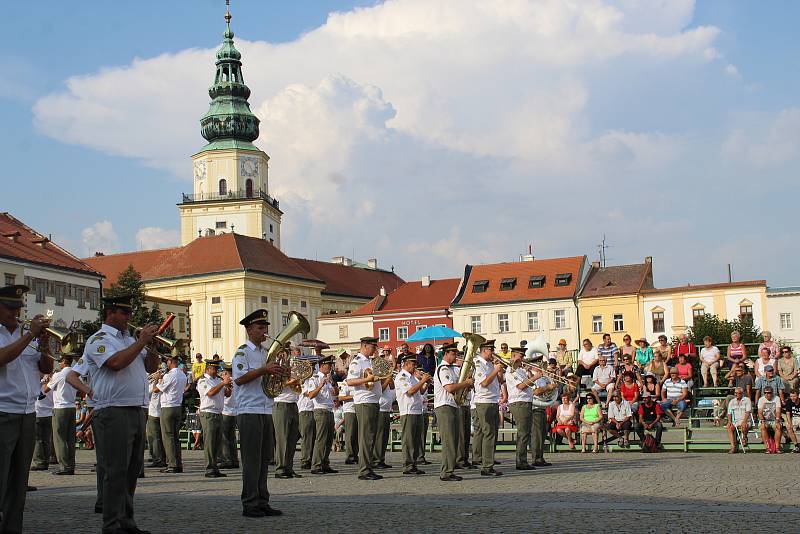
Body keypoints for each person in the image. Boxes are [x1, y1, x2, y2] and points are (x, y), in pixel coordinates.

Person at [78, 294, 159, 533]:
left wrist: (151, 347)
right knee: (115, 471)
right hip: (112, 409)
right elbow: (115, 363)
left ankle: (126, 520)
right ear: (110, 313)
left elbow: (150, 367)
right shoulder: (99, 339)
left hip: (136, 407)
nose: (128, 318)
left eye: (129, 313)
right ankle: (111, 524)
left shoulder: (129, 339)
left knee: (132, 469)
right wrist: (141, 342)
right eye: (124, 313)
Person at [0, 285, 53, 533]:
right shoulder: (19, 335)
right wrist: (30, 336)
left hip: (27, 412)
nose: (16, 312)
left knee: (19, 481)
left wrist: (44, 344)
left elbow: (46, 368)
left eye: (18, 308)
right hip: (2, 412)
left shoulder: (24, 334)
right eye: (10, 308)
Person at [232, 309, 286, 518]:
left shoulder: (265, 353)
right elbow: (239, 379)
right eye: (260, 328)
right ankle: (250, 503)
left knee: (264, 459)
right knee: (252, 460)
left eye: (265, 328)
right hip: (249, 410)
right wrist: (264, 370)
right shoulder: (242, 352)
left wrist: (281, 372)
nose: (265, 332)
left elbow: (269, 379)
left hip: (265, 409)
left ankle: (263, 500)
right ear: (249, 329)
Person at [434, 343, 474, 481]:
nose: (455, 356)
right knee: (449, 440)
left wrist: (468, 384)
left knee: (454, 440)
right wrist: (466, 383)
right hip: (445, 406)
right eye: (453, 354)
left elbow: (460, 387)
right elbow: (450, 388)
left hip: (453, 405)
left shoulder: (453, 369)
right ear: (446, 354)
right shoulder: (443, 369)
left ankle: (450, 469)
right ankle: (446, 472)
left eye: (456, 353)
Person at [346, 336, 384, 481]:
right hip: (364, 401)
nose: (375, 349)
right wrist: (368, 380)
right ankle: (364, 470)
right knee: (366, 437)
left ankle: (368, 467)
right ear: (366, 346)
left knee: (371, 436)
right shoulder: (357, 361)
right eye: (374, 347)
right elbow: (350, 381)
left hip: (373, 400)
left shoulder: (370, 361)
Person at [472, 340, 504, 476]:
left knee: (492, 433)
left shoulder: (490, 364)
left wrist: (499, 371)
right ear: (484, 350)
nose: (493, 353)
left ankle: (488, 463)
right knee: (488, 433)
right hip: (484, 401)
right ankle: (486, 466)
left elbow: (500, 381)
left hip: (493, 400)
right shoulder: (478, 364)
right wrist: (495, 370)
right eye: (491, 350)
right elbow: (484, 382)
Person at [394, 353, 429, 474]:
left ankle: (413, 464)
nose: (415, 367)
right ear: (406, 364)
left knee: (415, 440)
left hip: (417, 410)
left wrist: (426, 382)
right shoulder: (401, 377)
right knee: (408, 440)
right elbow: (410, 391)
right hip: (408, 411)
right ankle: (408, 465)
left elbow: (420, 390)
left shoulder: (413, 377)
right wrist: (422, 380)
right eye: (413, 364)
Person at [305, 355, 338, 474]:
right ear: (322, 365)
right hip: (320, 410)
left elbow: (336, 394)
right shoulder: (315, 378)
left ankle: (325, 463)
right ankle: (316, 465)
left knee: (329, 439)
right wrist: (321, 385)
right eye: (329, 365)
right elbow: (310, 395)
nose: (330, 367)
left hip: (329, 410)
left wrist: (333, 384)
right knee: (321, 439)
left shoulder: (328, 378)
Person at [272, 346, 302, 479]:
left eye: (287, 354)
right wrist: (291, 381)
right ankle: (280, 468)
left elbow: (297, 389)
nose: (286, 356)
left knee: (291, 439)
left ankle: (289, 467)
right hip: (281, 404)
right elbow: (273, 386)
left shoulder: (292, 370)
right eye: (284, 354)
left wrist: (297, 382)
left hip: (293, 404)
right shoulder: (275, 369)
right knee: (282, 438)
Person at [197, 359, 230, 478]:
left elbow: (227, 394)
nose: (217, 371)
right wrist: (222, 383)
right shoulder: (202, 380)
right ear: (208, 369)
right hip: (208, 413)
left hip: (218, 413)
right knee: (210, 442)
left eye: (217, 369)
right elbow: (210, 393)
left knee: (217, 442)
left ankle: (215, 467)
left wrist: (227, 385)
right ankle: (209, 468)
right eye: (215, 369)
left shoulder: (217, 380)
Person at [155, 356, 187, 473]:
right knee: (175, 437)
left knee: (168, 437)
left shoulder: (169, 375)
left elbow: (156, 390)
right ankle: (178, 463)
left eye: (167, 362)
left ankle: (172, 464)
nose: (166, 364)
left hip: (168, 407)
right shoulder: (183, 375)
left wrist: (157, 379)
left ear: (170, 362)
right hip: (178, 406)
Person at [505, 347, 534, 470]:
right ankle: (520, 461)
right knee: (523, 432)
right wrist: (536, 376)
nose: (523, 359)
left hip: (525, 401)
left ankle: (522, 460)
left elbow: (530, 384)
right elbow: (521, 386)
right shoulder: (512, 370)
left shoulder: (520, 370)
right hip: (518, 402)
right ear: (513, 356)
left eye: (523, 356)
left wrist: (530, 374)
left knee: (526, 432)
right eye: (520, 356)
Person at [48, 354, 77, 475]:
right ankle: (71, 465)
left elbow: (45, 389)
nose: (59, 364)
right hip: (71, 407)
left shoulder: (59, 374)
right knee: (70, 439)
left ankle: (64, 466)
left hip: (60, 408)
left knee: (59, 438)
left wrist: (47, 379)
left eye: (60, 362)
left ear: (64, 362)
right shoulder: (75, 373)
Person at [453, 352, 474, 470]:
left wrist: (470, 384)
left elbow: (468, 387)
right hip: (459, 404)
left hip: (466, 403)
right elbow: (456, 386)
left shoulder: (464, 371)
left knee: (466, 433)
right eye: (461, 358)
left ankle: (465, 458)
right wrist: (465, 382)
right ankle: (460, 459)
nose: (463, 360)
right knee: (461, 433)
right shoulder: (455, 371)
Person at [376, 351, 396, 470]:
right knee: (379, 437)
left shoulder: (386, 374)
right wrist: (388, 379)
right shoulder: (378, 375)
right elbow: (380, 390)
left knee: (384, 437)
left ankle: (381, 458)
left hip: (386, 409)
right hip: (379, 409)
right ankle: (376, 459)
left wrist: (390, 378)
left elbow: (392, 387)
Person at [31, 373, 55, 471]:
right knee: (47, 439)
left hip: (38, 413)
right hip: (49, 413)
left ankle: (39, 462)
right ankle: (46, 460)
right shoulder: (53, 382)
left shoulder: (37, 382)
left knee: (38, 440)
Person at [218, 366, 239, 469]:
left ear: (227, 373)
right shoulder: (237, 381)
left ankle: (227, 459)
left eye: (223, 373)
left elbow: (225, 397)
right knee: (232, 438)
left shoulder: (227, 382)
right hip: (234, 412)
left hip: (226, 411)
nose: (222, 375)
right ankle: (234, 459)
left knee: (225, 438)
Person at [145, 372, 166, 468]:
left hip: (153, 413)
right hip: (159, 412)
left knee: (154, 438)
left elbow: (147, 391)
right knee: (159, 438)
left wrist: (154, 380)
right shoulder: (163, 383)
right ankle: (161, 458)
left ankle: (157, 459)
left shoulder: (157, 384)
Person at [725, 387, 752, 453]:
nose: (736, 394)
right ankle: (733, 447)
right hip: (736, 421)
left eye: (738, 393)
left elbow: (748, 412)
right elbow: (729, 413)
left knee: (744, 425)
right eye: (735, 393)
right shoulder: (732, 401)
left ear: (742, 393)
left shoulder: (747, 400)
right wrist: (729, 421)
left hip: (746, 420)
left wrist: (744, 421)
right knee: (729, 427)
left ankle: (744, 437)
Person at [337, 380, 357, 465]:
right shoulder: (346, 382)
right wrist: (354, 396)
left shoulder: (359, 382)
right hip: (350, 410)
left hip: (358, 410)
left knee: (357, 435)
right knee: (350, 434)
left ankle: (355, 455)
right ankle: (350, 456)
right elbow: (341, 397)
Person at [758, 387, 782, 453]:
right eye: (765, 393)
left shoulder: (776, 398)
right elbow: (760, 412)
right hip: (765, 419)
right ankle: (768, 448)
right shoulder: (761, 399)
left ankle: (777, 447)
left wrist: (777, 420)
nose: (767, 394)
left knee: (778, 426)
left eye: (769, 393)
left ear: (772, 393)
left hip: (774, 419)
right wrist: (762, 420)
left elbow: (778, 411)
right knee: (763, 426)